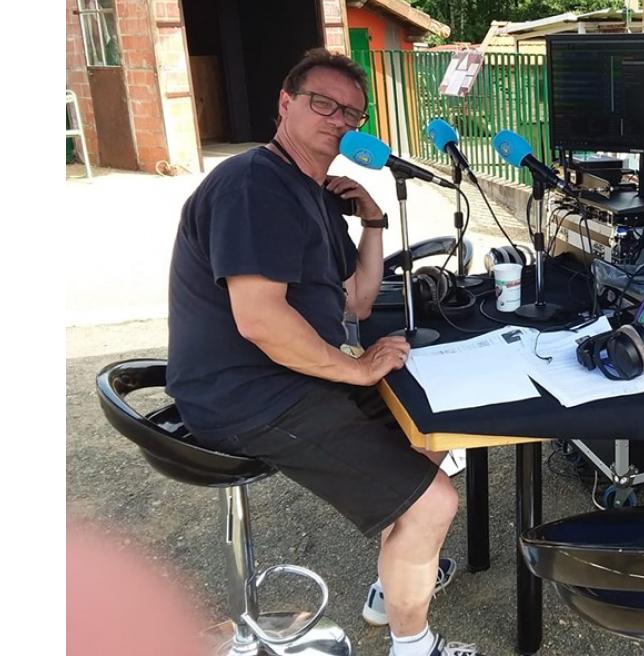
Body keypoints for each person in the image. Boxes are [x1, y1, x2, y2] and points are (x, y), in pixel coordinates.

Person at [166, 48, 480, 656]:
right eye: (323, 104)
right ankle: (414, 645)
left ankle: (396, 584)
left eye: (352, 114)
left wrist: (373, 220)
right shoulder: (255, 182)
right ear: (286, 104)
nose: (338, 119)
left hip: (289, 374)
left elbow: (357, 303)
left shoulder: (309, 188)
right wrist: (357, 370)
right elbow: (260, 320)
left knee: (429, 437)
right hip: (248, 394)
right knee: (435, 498)